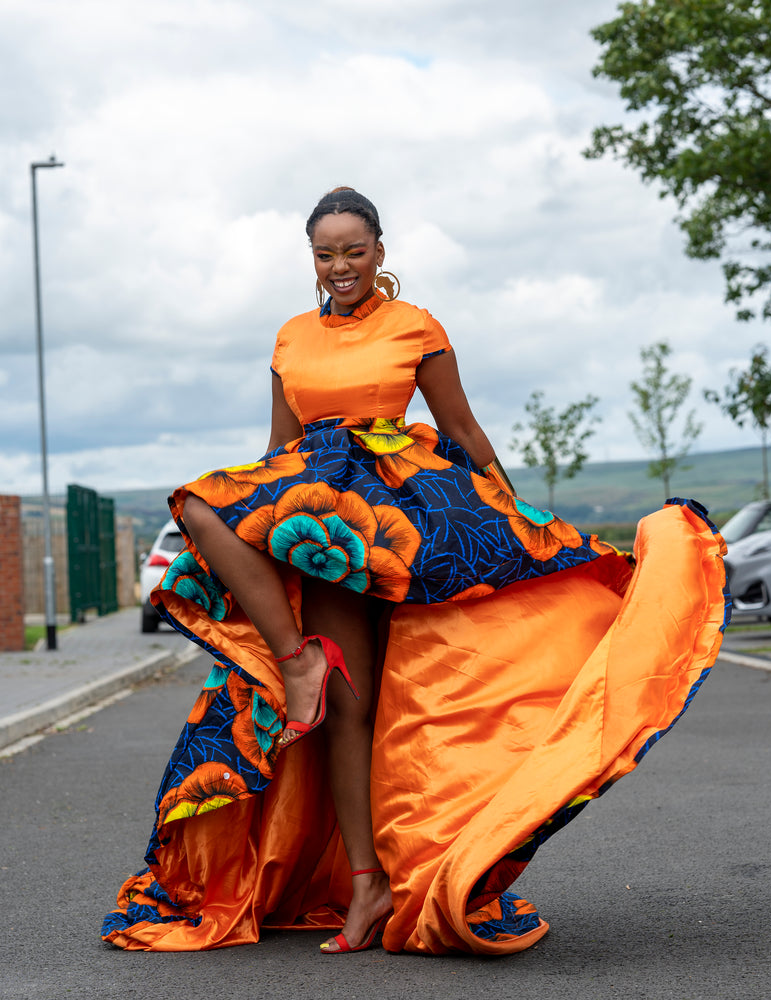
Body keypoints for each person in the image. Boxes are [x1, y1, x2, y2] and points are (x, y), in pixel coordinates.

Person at [102, 187, 728, 956]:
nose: (340, 266)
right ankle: (358, 863)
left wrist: (518, 516)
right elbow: (277, 448)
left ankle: (406, 857)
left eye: (354, 251)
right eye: (325, 253)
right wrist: (262, 527)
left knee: (404, 706)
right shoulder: (290, 338)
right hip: (323, 525)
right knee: (332, 687)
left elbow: (460, 427)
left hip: (403, 518)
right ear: (312, 258)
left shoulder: (415, 326)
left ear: (379, 253)